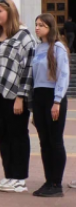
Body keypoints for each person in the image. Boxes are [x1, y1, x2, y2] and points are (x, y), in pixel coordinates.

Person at [0, 0, 35, 193]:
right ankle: (9, 175)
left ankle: (20, 178)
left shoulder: (24, 37)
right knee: (3, 135)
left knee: (18, 135)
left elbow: (28, 68)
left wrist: (21, 97)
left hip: (14, 93)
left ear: (10, 12)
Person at [31, 13, 70, 197]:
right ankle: (48, 181)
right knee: (44, 142)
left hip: (53, 96)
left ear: (50, 27)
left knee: (55, 140)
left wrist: (57, 101)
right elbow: (34, 78)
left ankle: (57, 184)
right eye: (36, 24)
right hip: (39, 96)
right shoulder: (38, 48)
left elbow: (63, 74)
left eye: (41, 25)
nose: (37, 28)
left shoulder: (58, 47)